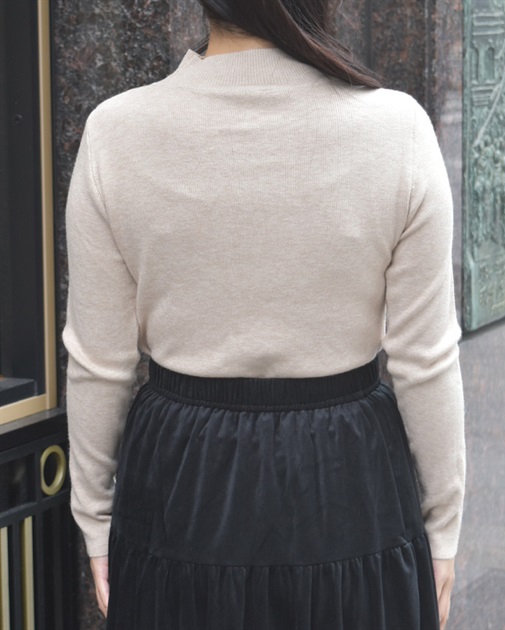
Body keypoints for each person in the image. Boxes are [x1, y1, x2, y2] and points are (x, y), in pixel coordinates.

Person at [62, 1, 466, 628]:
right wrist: (443, 529)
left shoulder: (116, 132)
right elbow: (426, 359)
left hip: (181, 478)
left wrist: (94, 519)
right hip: (349, 476)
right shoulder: (398, 130)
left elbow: (99, 361)